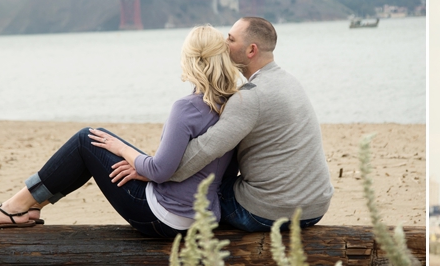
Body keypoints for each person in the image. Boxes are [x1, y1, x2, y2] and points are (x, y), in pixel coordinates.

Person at [0, 25, 242, 238]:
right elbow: (220, 171)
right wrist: (144, 167)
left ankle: (16, 206)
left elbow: (161, 171)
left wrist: (123, 149)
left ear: (189, 60)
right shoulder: (233, 106)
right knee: (98, 138)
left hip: (166, 218)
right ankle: (32, 207)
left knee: (86, 140)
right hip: (204, 218)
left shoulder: (187, 108)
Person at [112, 16, 334, 232]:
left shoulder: (250, 97)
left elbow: (201, 153)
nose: (224, 45)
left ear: (251, 50)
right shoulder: (290, 82)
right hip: (316, 206)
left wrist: (151, 169)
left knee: (205, 188)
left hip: (269, 213)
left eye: (230, 39)